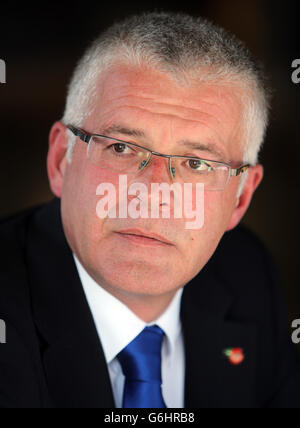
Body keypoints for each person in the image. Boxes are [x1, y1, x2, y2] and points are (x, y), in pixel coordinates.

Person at [0, 11, 299, 409]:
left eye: (196, 163)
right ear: (60, 160)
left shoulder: (246, 274)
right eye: (121, 147)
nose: (153, 193)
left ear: (241, 198)